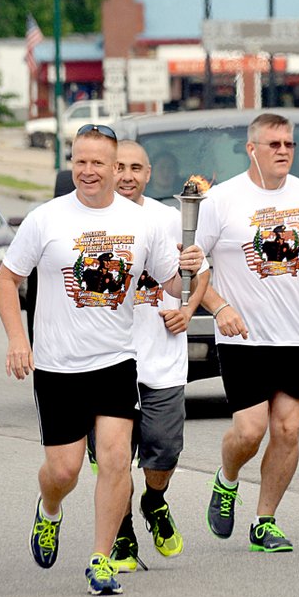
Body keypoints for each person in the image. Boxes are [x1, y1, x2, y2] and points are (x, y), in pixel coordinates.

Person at [0, 124, 204, 596]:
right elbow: (6, 280)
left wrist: (188, 273)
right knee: (64, 471)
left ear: (115, 168)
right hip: (58, 366)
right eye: (79, 161)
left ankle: (101, 558)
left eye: (97, 163)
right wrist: (16, 339)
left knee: (114, 462)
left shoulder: (143, 222)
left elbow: (172, 285)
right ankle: (49, 510)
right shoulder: (46, 218)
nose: (88, 171)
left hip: (115, 361)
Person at [196, 113, 299, 553]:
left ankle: (264, 521)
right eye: (274, 144)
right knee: (249, 431)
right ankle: (227, 480)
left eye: (289, 144)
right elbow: (189, 267)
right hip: (243, 336)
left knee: (287, 430)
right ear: (252, 149)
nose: (283, 151)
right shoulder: (221, 201)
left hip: (297, 336)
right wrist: (218, 307)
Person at [103, 140, 209, 572]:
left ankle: (155, 501)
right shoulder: (91, 223)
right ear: (107, 171)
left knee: (162, 454)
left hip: (162, 359)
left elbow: (198, 273)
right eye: (119, 167)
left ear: (149, 175)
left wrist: (187, 308)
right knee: (113, 460)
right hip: (106, 360)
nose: (126, 175)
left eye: (136, 168)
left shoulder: (168, 219)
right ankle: (122, 535)